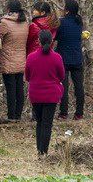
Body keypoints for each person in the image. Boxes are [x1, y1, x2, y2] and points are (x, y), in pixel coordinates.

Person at [26, 29, 65, 157]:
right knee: (47, 124)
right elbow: (62, 76)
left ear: (38, 41)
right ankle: (44, 152)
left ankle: (39, 150)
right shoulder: (57, 57)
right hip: (51, 95)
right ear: (52, 41)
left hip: (35, 94)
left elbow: (27, 76)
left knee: (39, 122)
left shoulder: (31, 57)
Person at [0, 0, 29, 122]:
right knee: (19, 89)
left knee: (10, 89)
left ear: (8, 9)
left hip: (8, 60)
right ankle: (18, 115)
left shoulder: (5, 22)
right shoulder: (24, 22)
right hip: (21, 59)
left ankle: (11, 116)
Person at [55, 0, 86, 120]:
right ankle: (79, 113)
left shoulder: (61, 22)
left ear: (66, 10)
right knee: (79, 87)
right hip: (77, 58)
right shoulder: (79, 22)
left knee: (64, 87)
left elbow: (55, 37)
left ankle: (63, 113)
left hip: (63, 59)